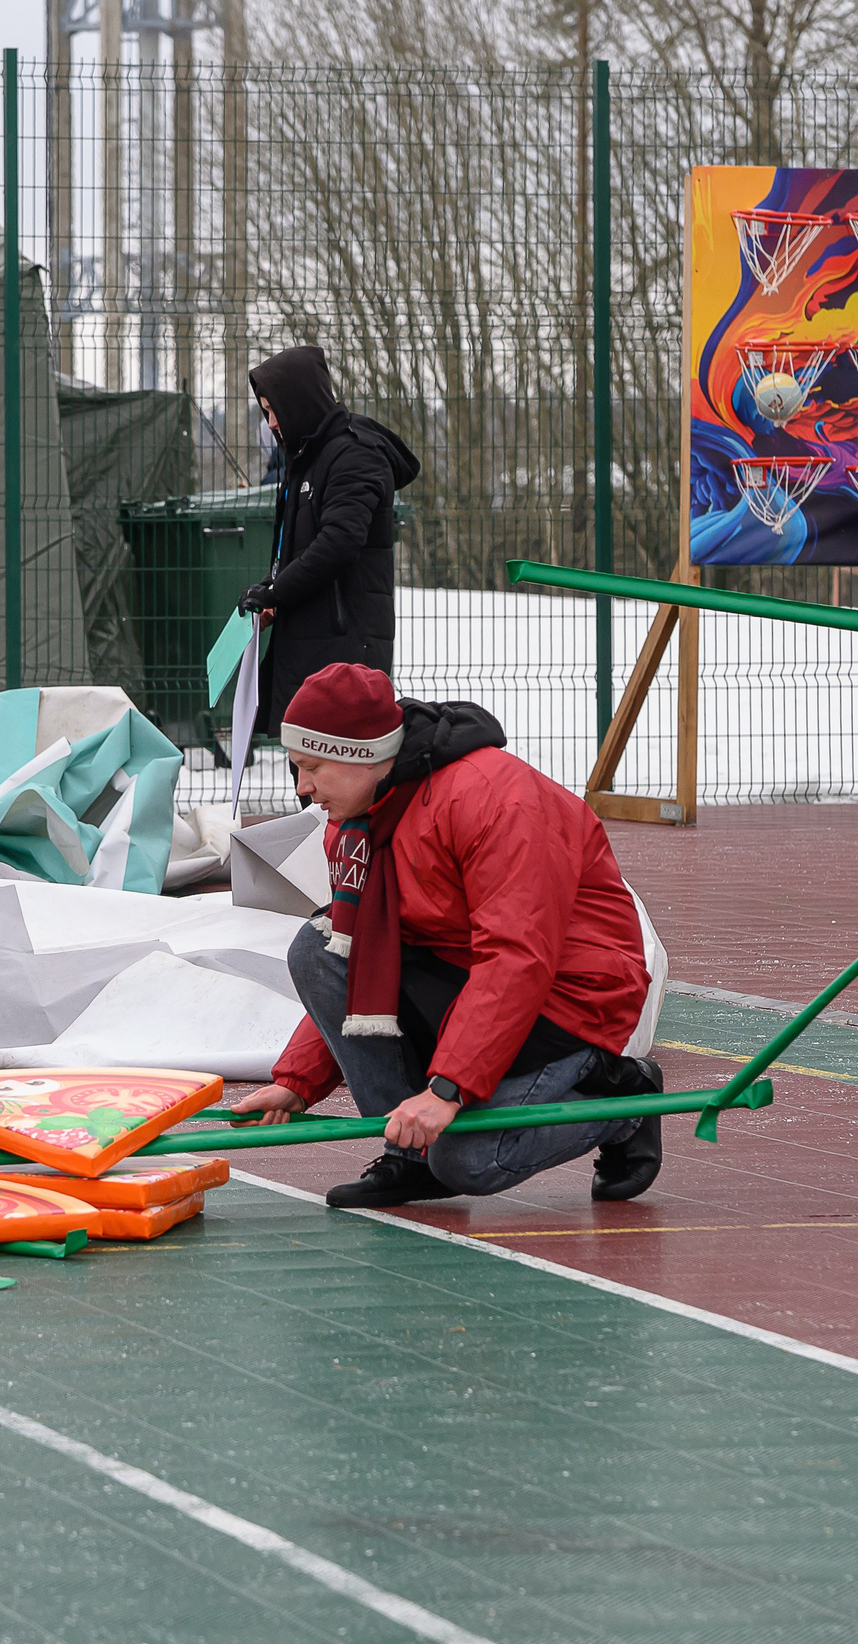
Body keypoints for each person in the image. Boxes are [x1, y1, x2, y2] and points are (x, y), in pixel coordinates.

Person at [223, 664, 664, 1207]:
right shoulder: (352, 819)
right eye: (296, 768)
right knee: (319, 946)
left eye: (312, 767)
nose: (303, 788)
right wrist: (297, 1081)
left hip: (566, 997)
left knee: (469, 1161)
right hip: (464, 979)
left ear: (363, 755)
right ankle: (410, 1156)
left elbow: (517, 958)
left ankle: (623, 1104)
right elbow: (363, 957)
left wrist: (447, 1089)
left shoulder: (493, 798)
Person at [239, 345, 422, 738]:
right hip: (309, 645)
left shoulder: (355, 455)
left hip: (343, 651)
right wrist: (270, 592)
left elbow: (339, 543)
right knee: (307, 761)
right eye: (265, 412)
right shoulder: (306, 458)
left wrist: (276, 592)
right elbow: (299, 549)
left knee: (334, 767)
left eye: (274, 411)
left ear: (299, 401)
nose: (271, 423)